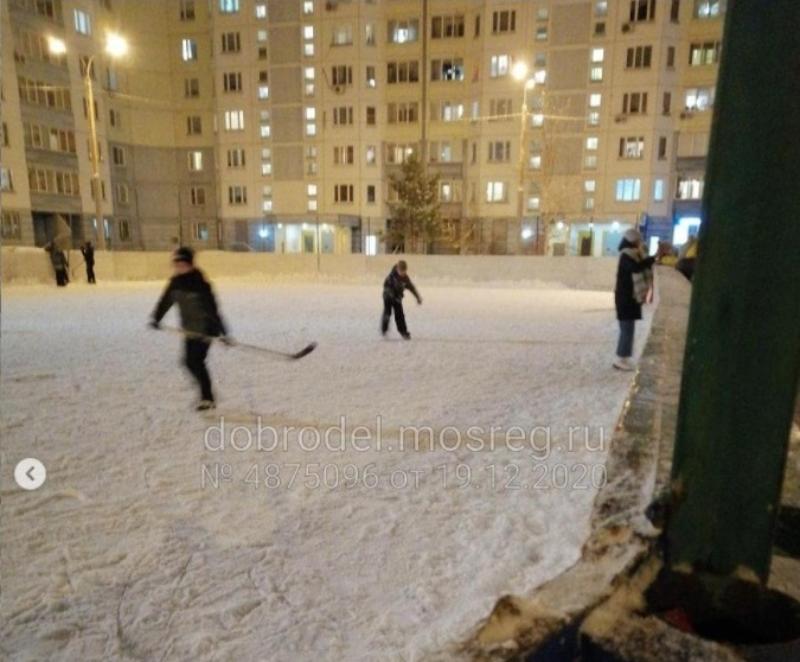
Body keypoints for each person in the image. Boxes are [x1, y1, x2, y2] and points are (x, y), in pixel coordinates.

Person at [149, 247, 232, 410]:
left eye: (183, 264)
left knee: (195, 361)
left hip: (206, 329)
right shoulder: (175, 283)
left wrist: (223, 332)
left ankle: (207, 398)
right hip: (189, 329)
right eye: (177, 264)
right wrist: (156, 318)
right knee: (188, 362)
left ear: (190, 264)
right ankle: (206, 392)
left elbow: (212, 309)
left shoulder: (200, 283)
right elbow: (165, 301)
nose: (179, 267)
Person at [614, 229, 655, 371]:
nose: (640, 242)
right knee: (626, 329)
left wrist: (649, 260)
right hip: (625, 298)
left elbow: (639, 265)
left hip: (629, 297)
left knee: (628, 329)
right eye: (638, 240)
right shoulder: (626, 255)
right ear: (632, 241)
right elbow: (636, 268)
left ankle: (623, 357)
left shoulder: (632, 254)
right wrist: (651, 260)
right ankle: (620, 358)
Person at [381, 260, 422, 340]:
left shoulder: (405, 278)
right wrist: (392, 295)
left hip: (397, 298)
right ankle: (384, 329)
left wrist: (417, 297)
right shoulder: (391, 277)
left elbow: (411, 288)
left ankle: (403, 331)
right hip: (388, 298)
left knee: (400, 315)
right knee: (387, 313)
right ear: (397, 269)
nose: (402, 273)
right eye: (401, 271)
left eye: (404, 271)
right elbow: (386, 288)